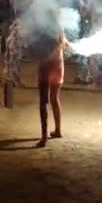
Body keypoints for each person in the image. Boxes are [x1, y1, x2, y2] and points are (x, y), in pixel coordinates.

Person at [32, 19, 68, 148]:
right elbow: (63, 44)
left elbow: (35, 45)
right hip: (58, 64)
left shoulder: (41, 24)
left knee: (44, 101)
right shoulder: (59, 25)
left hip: (47, 65)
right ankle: (57, 130)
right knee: (54, 98)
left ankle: (44, 137)